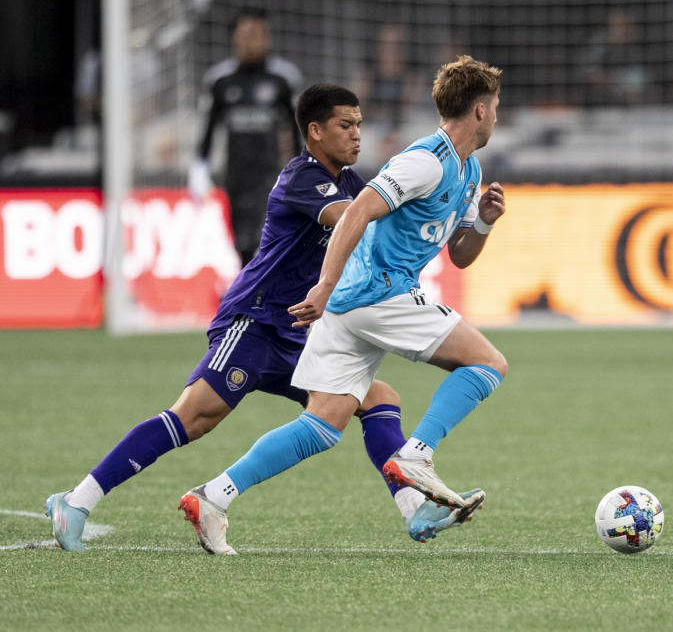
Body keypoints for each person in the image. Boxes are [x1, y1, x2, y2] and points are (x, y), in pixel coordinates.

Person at [44, 84, 476, 554]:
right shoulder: (302, 177)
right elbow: (355, 218)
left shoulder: (352, 183)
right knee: (194, 417)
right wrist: (415, 198)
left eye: (359, 125)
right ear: (314, 131)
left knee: (376, 399)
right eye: (345, 126)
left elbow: (371, 216)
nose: (357, 136)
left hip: (297, 330)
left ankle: (414, 509)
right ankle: (75, 500)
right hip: (254, 322)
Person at [182, 56, 507, 550]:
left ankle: (214, 496)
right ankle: (417, 456)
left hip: (354, 304)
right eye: (496, 106)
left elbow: (460, 255)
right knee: (488, 364)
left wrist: (482, 221)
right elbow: (358, 211)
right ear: (480, 111)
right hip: (379, 290)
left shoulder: (469, 169)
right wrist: (325, 285)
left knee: (322, 424)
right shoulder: (426, 160)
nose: (498, 116)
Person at [189, 8, 303, 266]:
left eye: (260, 34)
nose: (254, 41)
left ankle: (262, 294)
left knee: (267, 238)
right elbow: (208, 126)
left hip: (270, 175)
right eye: (248, 34)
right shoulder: (220, 81)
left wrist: (300, 168)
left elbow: (297, 128)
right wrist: (200, 166)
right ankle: (249, 292)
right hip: (235, 174)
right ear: (235, 38)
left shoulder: (283, 79)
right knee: (240, 242)